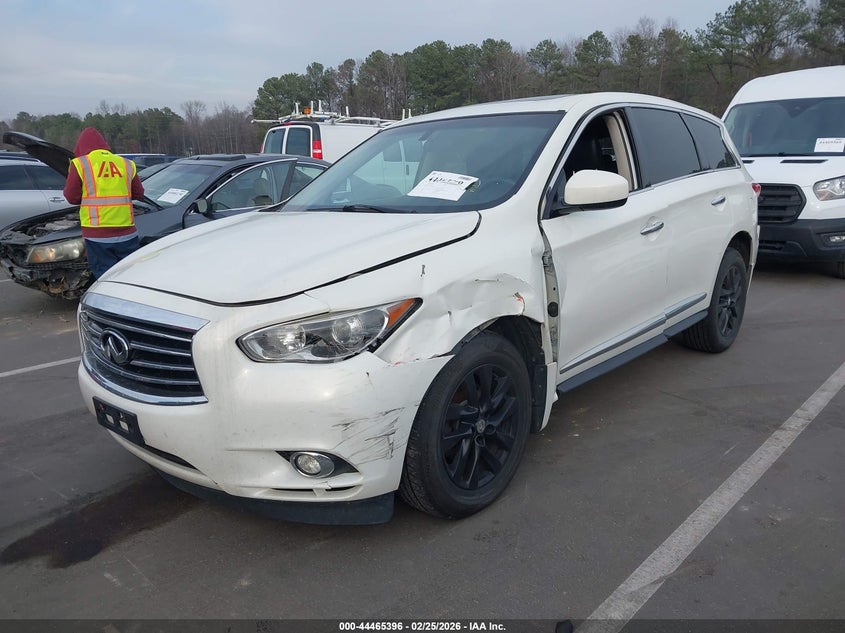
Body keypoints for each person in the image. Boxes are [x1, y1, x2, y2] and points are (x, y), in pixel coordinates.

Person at [63, 127, 145, 280]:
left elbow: (71, 197)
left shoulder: (80, 164)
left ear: (81, 147)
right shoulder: (126, 164)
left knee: (105, 278)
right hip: (127, 232)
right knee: (130, 276)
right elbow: (139, 193)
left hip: (97, 234)